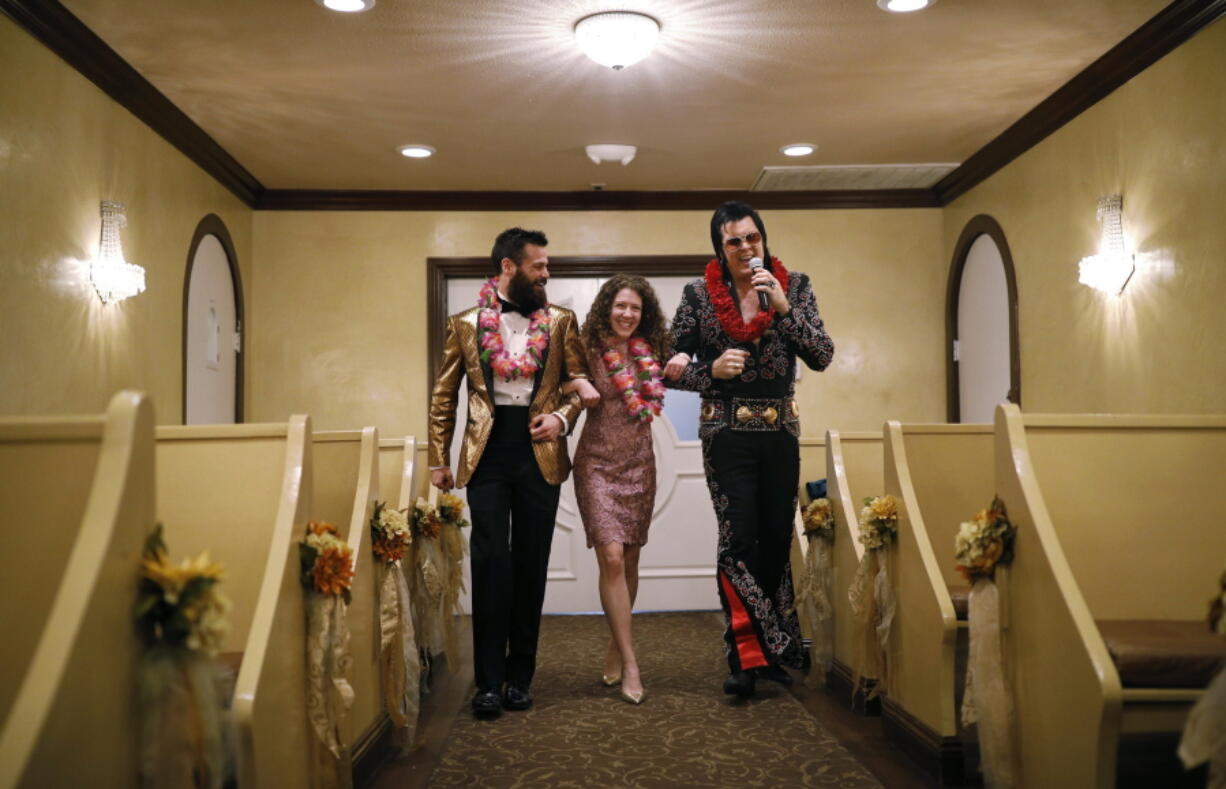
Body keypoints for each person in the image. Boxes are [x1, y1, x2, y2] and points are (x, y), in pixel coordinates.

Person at [663, 201, 835, 698]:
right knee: (737, 543)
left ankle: (769, 654)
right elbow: (665, 366)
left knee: (775, 542)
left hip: (780, 433)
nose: (745, 248)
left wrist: (781, 307)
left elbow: (822, 355)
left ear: (764, 239)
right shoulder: (697, 295)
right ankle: (749, 653)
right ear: (720, 247)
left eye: (752, 238)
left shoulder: (795, 286)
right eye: (734, 240)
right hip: (725, 434)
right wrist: (707, 372)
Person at [428, 227, 587, 718]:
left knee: (531, 562)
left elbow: (578, 387)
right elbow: (444, 394)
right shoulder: (466, 323)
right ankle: (489, 682)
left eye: (546, 266)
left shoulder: (562, 321)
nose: (547, 274)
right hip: (488, 452)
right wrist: (438, 457)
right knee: (491, 561)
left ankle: (521, 676)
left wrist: (561, 419)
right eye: (538, 266)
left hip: (539, 448)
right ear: (508, 268)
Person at [564, 275, 670, 705]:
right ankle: (631, 662)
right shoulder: (588, 348)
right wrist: (577, 383)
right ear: (607, 307)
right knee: (609, 555)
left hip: (639, 464)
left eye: (636, 309)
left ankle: (615, 643)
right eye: (621, 306)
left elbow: (682, 374)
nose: (628, 314)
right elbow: (554, 380)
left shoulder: (652, 351)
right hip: (596, 464)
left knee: (629, 558)